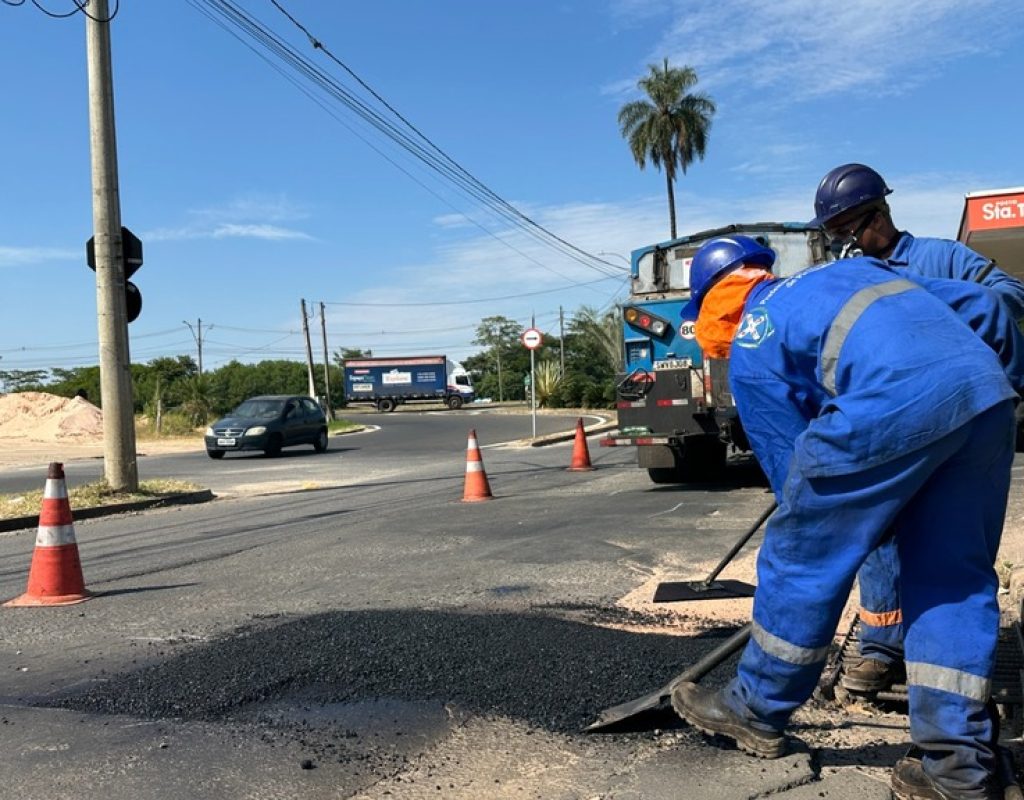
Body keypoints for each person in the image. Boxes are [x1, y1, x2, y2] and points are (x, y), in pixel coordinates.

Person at [672, 235, 1019, 800]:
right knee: (952, 577)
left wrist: (851, 526)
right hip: (986, 399)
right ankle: (957, 766)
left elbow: (796, 488)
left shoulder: (753, 338)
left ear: (715, 304)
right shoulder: (847, 275)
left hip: (891, 402)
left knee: (799, 554)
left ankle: (756, 705)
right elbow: (985, 306)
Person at [811, 163, 1024, 695]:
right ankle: (882, 648)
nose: (847, 244)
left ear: (879, 214)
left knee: (951, 538)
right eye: (836, 236)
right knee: (880, 533)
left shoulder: (941, 258)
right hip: (890, 423)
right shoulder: (851, 277)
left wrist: (935, 299)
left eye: (851, 230)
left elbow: (1008, 295)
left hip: (959, 421)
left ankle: (948, 661)